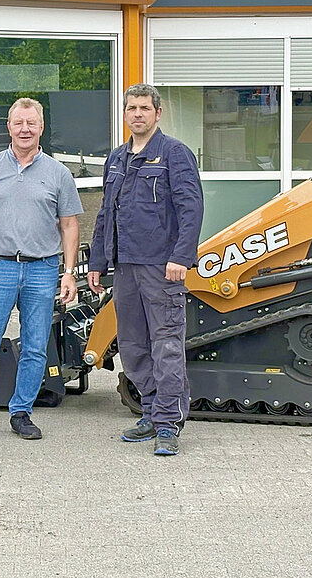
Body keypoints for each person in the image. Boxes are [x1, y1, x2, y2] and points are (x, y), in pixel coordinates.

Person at [0, 97, 82, 444]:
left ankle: (21, 412)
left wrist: (69, 272)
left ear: (41, 127)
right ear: (9, 127)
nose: (25, 129)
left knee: (36, 347)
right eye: (19, 123)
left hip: (42, 269)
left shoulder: (58, 173)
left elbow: (69, 225)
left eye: (31, 123)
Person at [87, 83, 203, 456]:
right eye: (132, 108)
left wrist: (181, 257)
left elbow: (191, 209)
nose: (138, 114)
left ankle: (168, 424)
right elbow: (106, 213)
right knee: (133, 346)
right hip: (125, 267)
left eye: (144, 108)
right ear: (124, 114)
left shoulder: (174, 154)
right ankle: (151, 412)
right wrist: (97, 262)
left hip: (161, 267)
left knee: (166, 345)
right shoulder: (117, 158)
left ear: (157, 113)